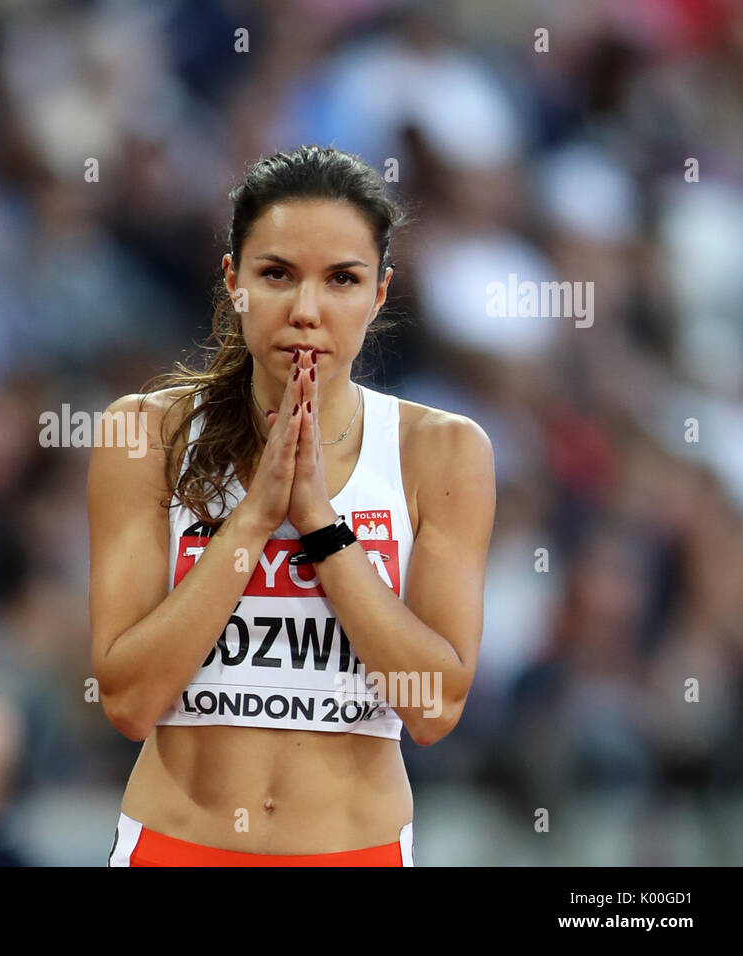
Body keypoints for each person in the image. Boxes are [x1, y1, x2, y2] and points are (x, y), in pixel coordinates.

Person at [88, 145, 496, 866]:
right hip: (177, 842)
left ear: (378, 294)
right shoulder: (144, 432)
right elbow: (127, 701)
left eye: (342, 280)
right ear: (233, 282)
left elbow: (433, 708)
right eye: (276, 274)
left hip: (355, 849)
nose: (306, 311)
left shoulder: (443, 451)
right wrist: (251, 519)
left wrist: (318, 523)